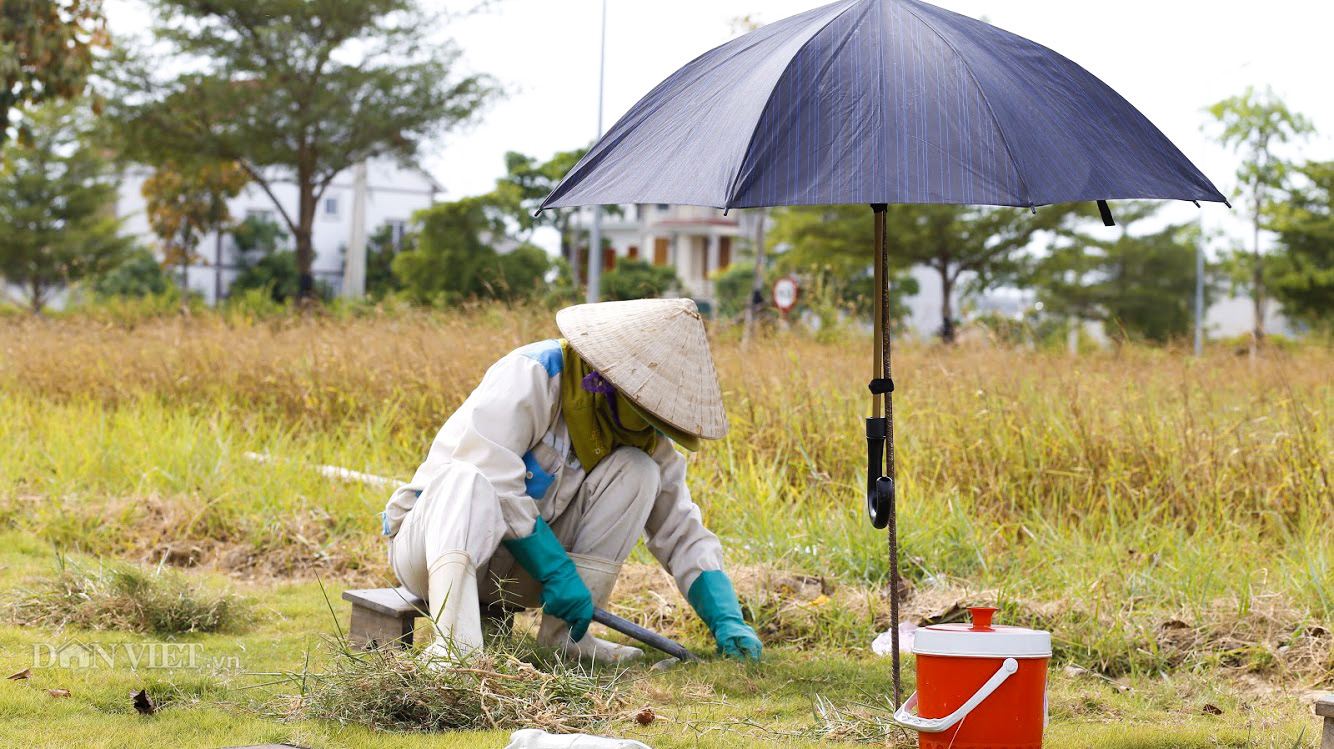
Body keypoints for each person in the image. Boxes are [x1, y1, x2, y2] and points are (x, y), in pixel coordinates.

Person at [382, 298, 762, 665]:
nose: (652, 425)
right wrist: (555, 570)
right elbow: (493, 478)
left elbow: (681, 531)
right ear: (612, 381)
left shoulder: (647, 439)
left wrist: (727, 619)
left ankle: (567, 641)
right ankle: (455, 651)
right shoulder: (533, 374)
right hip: (432, 558)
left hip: (522, 580)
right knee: (468, 477)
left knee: (639, 471)